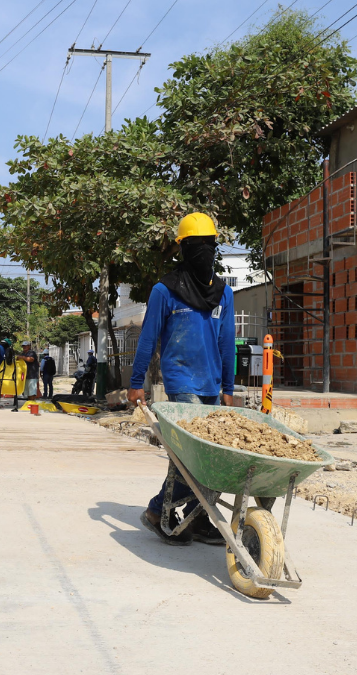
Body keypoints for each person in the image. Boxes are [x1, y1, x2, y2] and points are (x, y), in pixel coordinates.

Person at [128, 212, 237, 547]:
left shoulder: (223, 293)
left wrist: (229, 387)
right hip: (181, 381)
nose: (204, 251)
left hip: (211, 384)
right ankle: (157, 510)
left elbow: (227, 343)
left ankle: (197, 516)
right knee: (193, 457)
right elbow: (149, 338)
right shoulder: (166, 290)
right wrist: (136, 382)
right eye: (196, 245)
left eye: (209, 245)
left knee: (213, 457)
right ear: (183, 248)